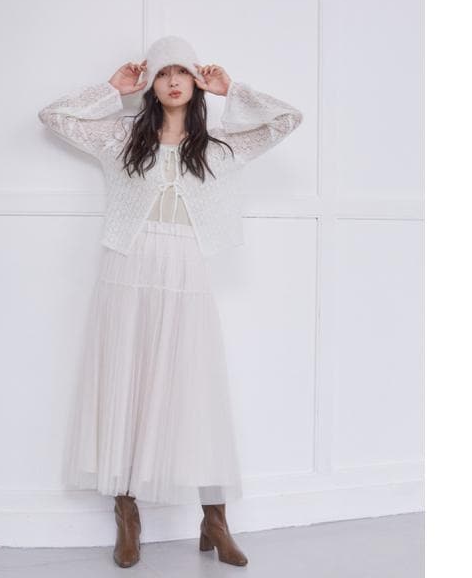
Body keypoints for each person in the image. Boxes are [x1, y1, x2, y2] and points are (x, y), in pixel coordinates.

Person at [37, 35, 303, 568]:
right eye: (163, 73)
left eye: (183, 71)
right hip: (127, 267)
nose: (174, 81)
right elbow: (54, 116)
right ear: (151, 84)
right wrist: (110, 89)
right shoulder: (121, 137)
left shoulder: (221, 145)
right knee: (125, 382)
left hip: (186, 268)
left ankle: (215, 518)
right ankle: (127, 513)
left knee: (195, 387)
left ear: (197, 82)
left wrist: (233, 89)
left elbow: (287, 120)